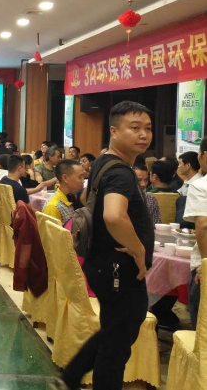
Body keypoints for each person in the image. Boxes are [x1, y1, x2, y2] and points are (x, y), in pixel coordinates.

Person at [56, 101, 154, 390]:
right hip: (118, 267)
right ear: (114, 131)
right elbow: (113, 215)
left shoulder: (104, 161)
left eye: (148, 128)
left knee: (115, 330)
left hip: (105, 263)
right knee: (117, 343)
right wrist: (139, 250)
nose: (143, 135)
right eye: (134, 128)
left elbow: (87, 199)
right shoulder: (120, 173)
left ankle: (71, 376)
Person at [182, 136, 207, 329]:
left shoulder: (200, 186)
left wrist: (205, 265)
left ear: (204, 155)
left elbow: (203, 225)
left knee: (202, 329)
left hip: (204, 264)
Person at [43, 159, 85, 226]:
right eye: (80, 177)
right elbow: (52, 232)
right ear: (65, 178)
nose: (83, 181)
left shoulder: (73, 197)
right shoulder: (53, 207)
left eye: (83, 177)